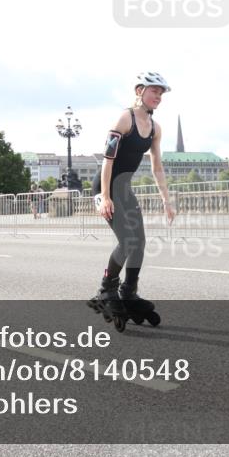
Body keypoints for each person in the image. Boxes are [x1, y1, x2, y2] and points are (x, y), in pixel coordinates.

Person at [89, 71, 176, 315]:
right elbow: (108, 160)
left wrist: (166, 201)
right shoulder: (124, 119)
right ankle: (106, 290)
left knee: (140, 243)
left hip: (124, 189)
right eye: (154, 91)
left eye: (161, 93)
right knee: (127, 241)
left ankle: (129, 291)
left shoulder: (155, 128)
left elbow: (157, 167)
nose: (158, 96)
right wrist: (105, 196)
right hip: (105, 185)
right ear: (140, 91)